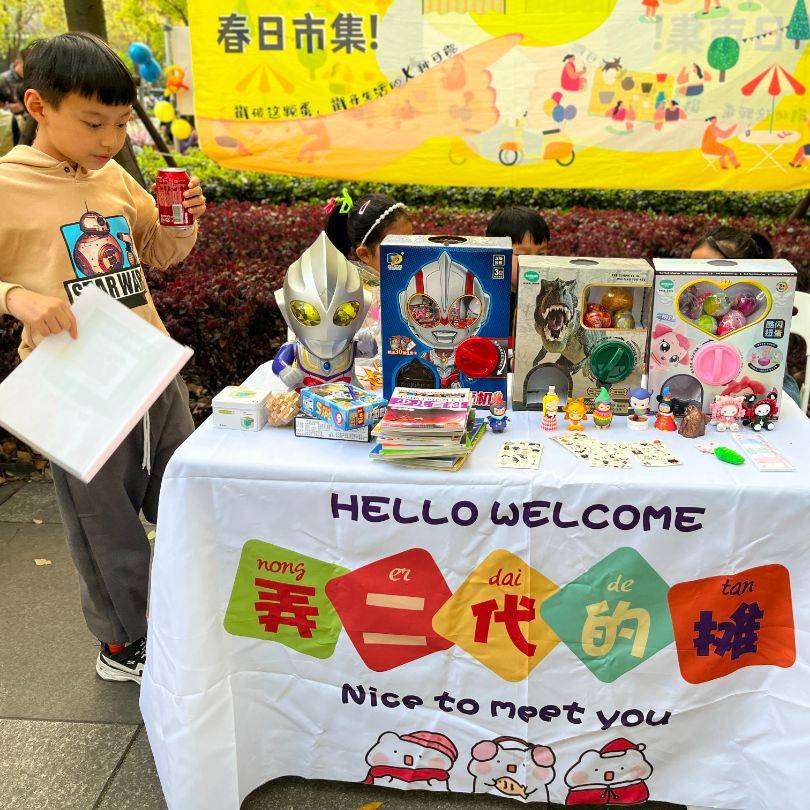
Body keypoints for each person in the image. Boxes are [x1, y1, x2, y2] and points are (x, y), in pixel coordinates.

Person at [0, 33, 207, 683]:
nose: (111, 139)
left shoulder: (111, 175)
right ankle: (123, 645)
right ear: (39, 105)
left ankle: (186, 619)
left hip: (149, 364)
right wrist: (17, 298)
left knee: (186, 496)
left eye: (120, 124)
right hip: (73, 385)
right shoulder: (6, 185)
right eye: (94, 123)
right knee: (105, 523)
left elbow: (158, 253)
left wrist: (182, 221)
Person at [690, 226, 801, 406]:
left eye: (709, 271)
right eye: (690, 267)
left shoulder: (756, 314)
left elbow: (786, 397)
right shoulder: (690, 308)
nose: (694, 276)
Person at [325, 191, 413, 364]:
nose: (409, 255)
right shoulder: (347, 293)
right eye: (397, 249)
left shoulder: (408, 282)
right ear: (364, 254)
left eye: (411, 243)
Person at [485, 205, 550, 325]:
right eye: (522, 254)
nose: (534, 262)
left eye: (541, 254)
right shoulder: (489, 298)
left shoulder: (546, 298)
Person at [0, 49, 27, 116]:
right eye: (25, 67)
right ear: (17, 63)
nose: (27, 70)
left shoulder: (30, 78)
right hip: (11, 119)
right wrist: (8, 107)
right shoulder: (3, 80)